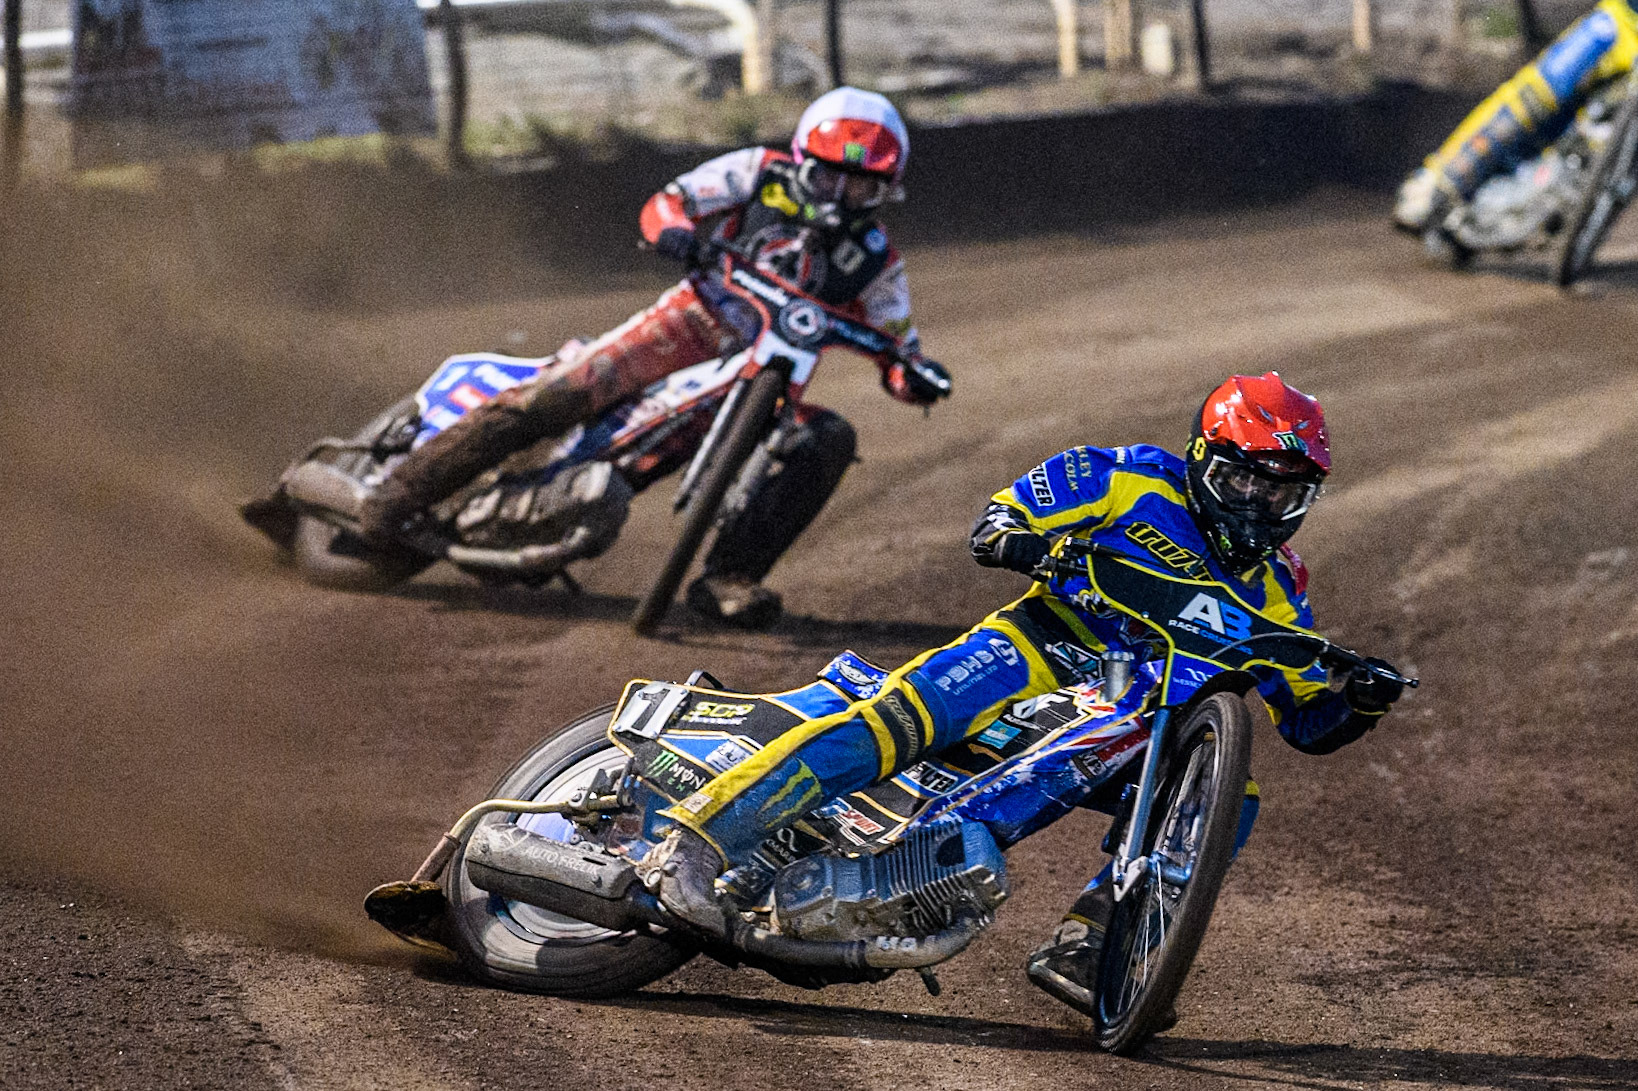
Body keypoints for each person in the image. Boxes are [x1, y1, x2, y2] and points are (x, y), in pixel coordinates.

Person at [638, 372, 1405, 1015]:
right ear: (1203, 459)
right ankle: (696, 840)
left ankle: (1092, 943)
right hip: (1037, 647)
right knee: (898, 722)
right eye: (1242, 480)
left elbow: (1306, 721)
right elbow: (999, 520)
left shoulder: (1281, 589)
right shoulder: (1128, 475)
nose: (1257, 504)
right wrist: (1032, 545)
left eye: (1281, 493)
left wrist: (1361, 700)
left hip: (1134, 716)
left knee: (1231, 798)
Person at [358, 87, 951, 628]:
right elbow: (670, 203)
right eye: (828, 179)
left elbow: (900, 346)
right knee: (565, 391)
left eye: (860, 187)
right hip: (689, 323)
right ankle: (402, 490)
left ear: (886, 191)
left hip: (767, 384)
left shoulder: (878, 261)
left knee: (828, 439)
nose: (840, 199)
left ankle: (729, 578)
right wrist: (675, 232)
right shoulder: (757, 171)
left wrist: (913, 378)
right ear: (801, 162)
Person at [1395, 0, 1638, 233]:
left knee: (1610, 152)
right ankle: (1438, 182)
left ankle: (1563, 208)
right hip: (1623, 23)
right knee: (1538, 93)